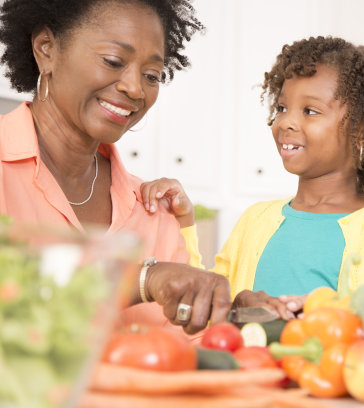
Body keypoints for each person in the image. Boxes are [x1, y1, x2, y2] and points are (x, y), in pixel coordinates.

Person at [145, 36, 364, 318]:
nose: (286, 122)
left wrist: (320, 309)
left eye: (310, 111)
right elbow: (205, 305)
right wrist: (184, 221)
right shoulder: (255, 220)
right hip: (252, 367)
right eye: (282, 108)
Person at [0, 0, 231, 335]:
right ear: (46, 50)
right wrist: (138, 279)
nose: (135, 88)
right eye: (113, 61)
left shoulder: (154, 211)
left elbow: (187, 347)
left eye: (152, 75)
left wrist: (232, 317)